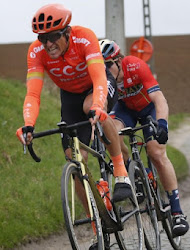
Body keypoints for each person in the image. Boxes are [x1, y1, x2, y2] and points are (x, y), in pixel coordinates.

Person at [16, 4, 132, 208]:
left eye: (53, 37)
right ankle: (96, 221)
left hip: (96, 85)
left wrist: (98, 105)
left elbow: (98, 80)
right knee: (75, 160)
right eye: (43, 39)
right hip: (70, 96)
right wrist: (28, 125)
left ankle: (122, 174)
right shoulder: (36, 52)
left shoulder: (84, 37)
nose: (48, 44)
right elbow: (33, 94)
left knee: (91, 106)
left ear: (67, 32)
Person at [99, 39, 189, 237]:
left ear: (118, 60)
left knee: (156, 152)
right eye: (101, 67)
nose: (105, 70)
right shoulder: (103, 80)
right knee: (111, 133)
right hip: (125, 111)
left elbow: (159, 99)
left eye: (108, 65)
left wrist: (162, 125)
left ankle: (177, 212)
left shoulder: (135, 66)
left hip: (148, 108)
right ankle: (138, 170)